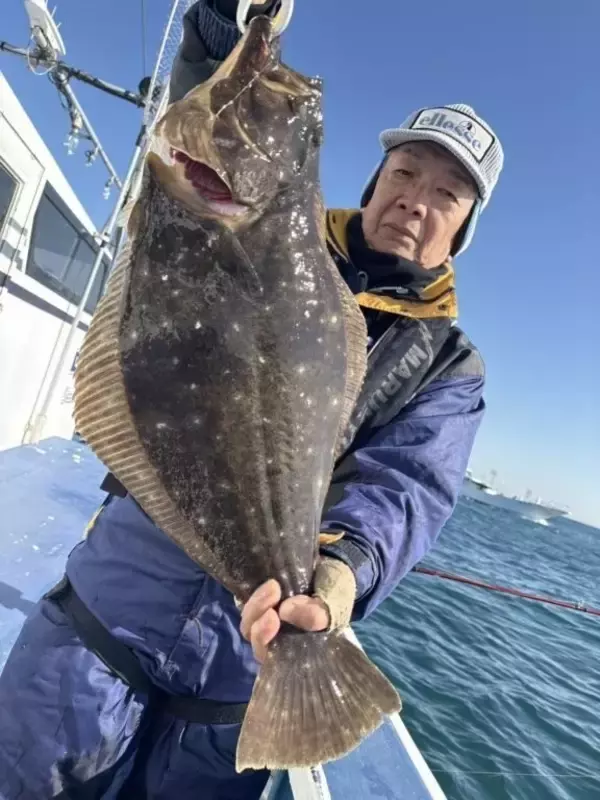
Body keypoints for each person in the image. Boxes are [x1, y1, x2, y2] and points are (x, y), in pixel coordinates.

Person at [0, 1, 504, 798]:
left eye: (448, 193)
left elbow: (405, 490)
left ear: (465, 225)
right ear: (374, 183)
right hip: (113, 607)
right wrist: (223, 32)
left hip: (244, 663)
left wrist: (337, 579)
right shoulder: (274, 238)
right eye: (405, 173)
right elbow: (209, 131)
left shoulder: (449, 366)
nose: (416, 199)